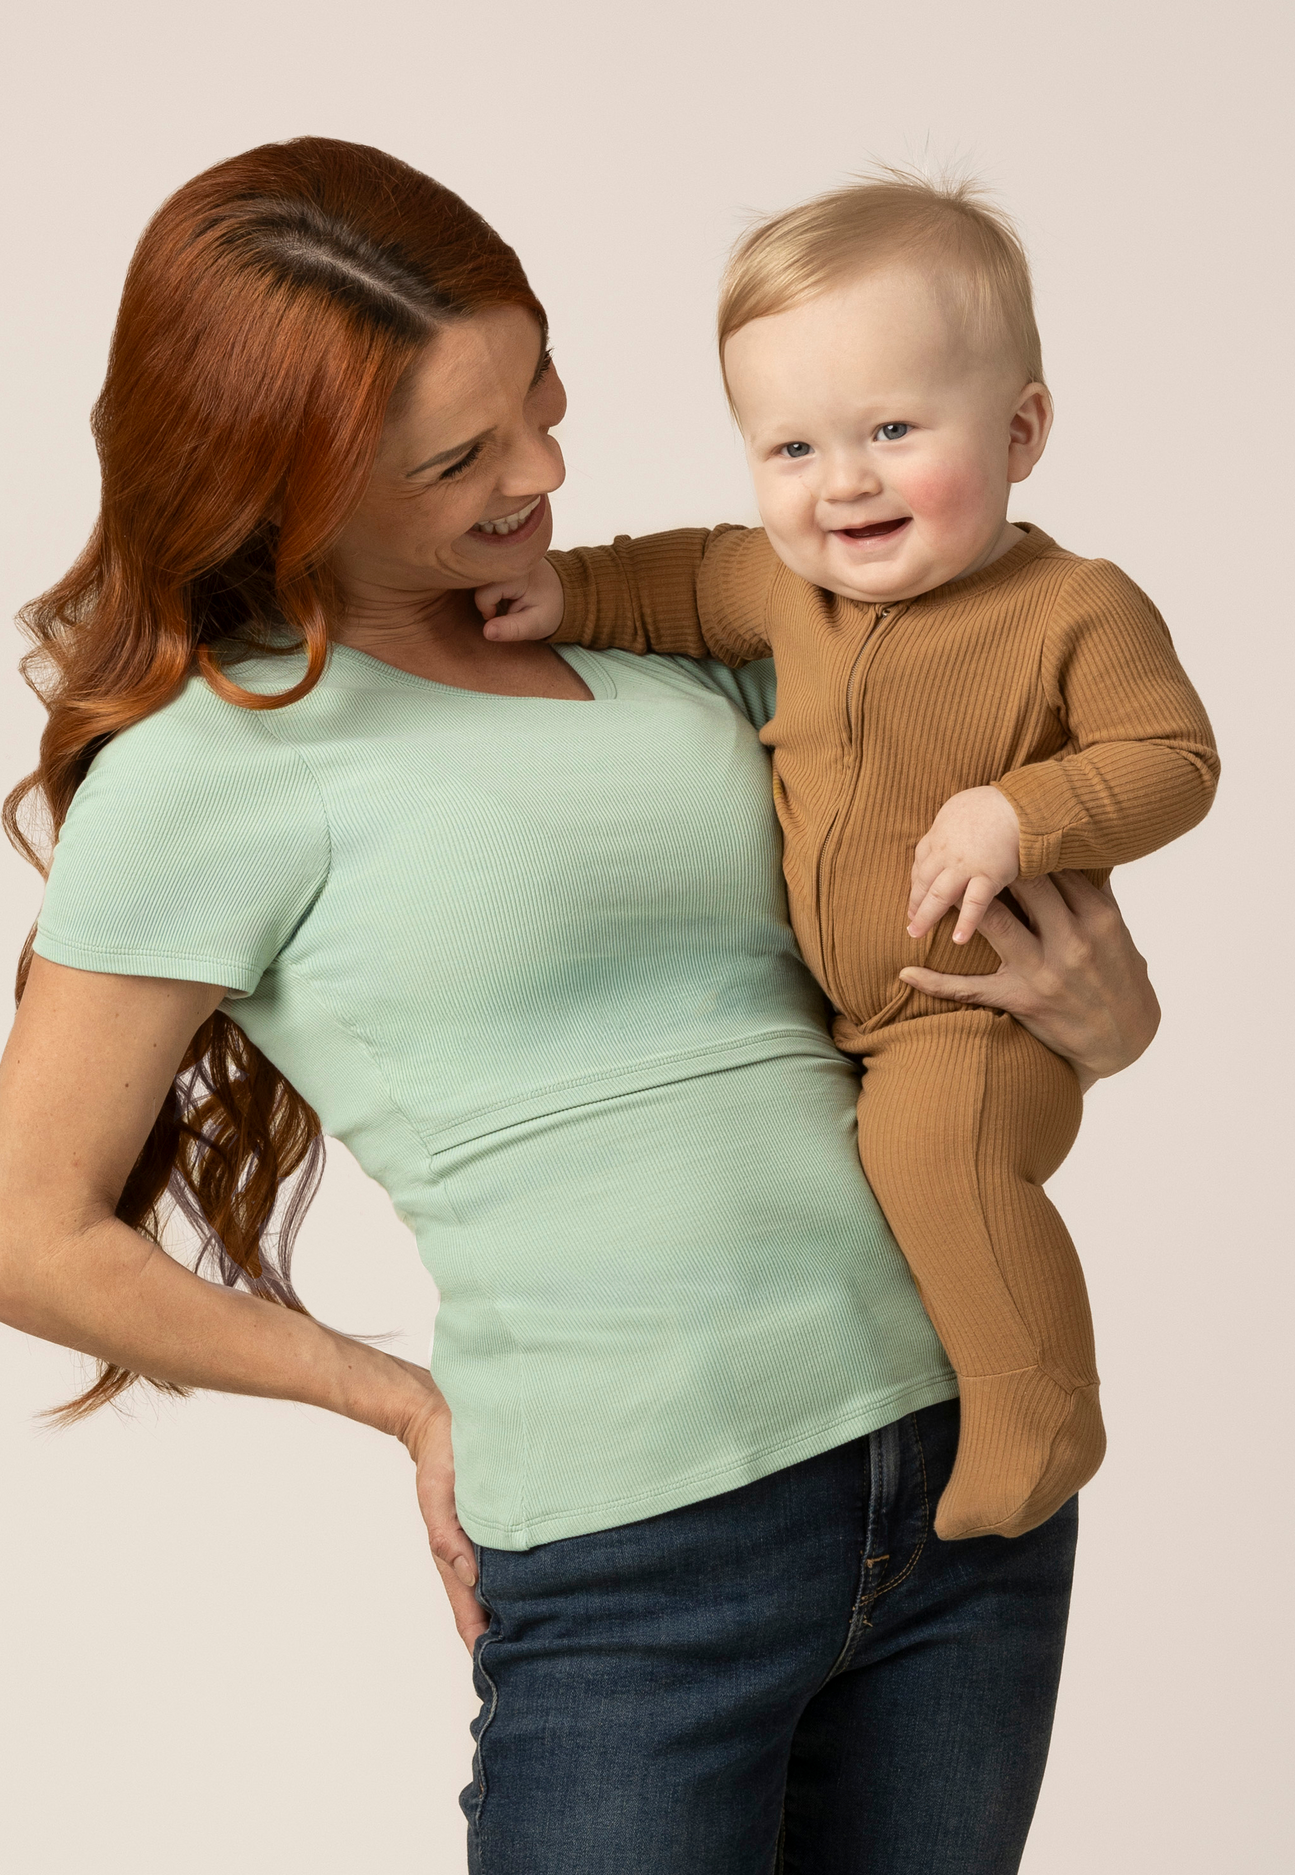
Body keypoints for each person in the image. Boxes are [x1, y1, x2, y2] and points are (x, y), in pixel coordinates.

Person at [0, 138, 1164, 1874]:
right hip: (642, 1545)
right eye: (460, 457)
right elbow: (22, 1236)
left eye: (538, 386)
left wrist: (1106, 1023)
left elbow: (920, 963)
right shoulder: (211, 769)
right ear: (285, 486)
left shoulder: (672, 629)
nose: (545, 465)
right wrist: (405, 1401)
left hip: (964, 1463)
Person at [479, 170, 1218, 1543]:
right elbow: (682, 579)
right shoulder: (786, 585)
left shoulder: (1073, 606)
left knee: (937, 1159)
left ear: (1021, 429)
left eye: (891, 428)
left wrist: (1021, 809)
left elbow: (1174, 762)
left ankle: (1039, 1404)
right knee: (875, 1167)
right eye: (793, 449)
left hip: (972, 1012)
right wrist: (567, 590)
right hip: (842, 1017)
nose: (846, 483)